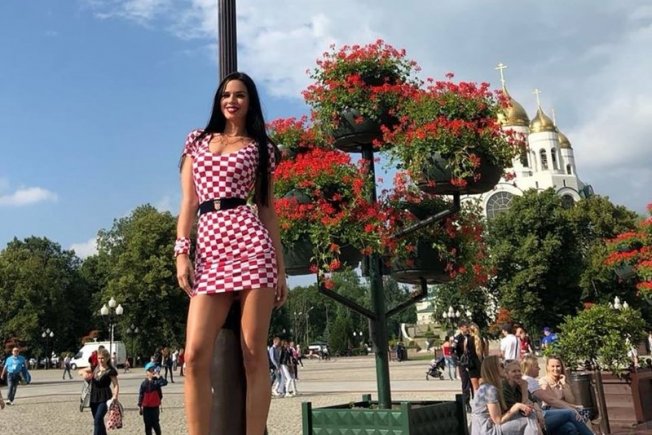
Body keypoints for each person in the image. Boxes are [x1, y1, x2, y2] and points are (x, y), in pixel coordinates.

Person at [175, 71, 287, 435]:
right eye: (226, 94)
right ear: (218, 101)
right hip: (209, 252)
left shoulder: (261, 149)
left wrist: (281, 269)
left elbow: (267, 210)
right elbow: (188, 203)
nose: (232, 100)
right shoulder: (197, 141)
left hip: (253, 248)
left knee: (253, 354)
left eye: (239, 95)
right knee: (194, 356)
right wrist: (182, 252)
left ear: (250, 101)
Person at [521, 355, 594, 435]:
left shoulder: (561, 380)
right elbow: (551, 400)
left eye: (558, 366)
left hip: (544, 414)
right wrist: (572, 408)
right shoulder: (537, 381)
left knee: (570, 427)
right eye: (537, 366)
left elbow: (572, 400)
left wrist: (564, 385)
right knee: (572, 413)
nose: (539, 368)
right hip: (543, 414)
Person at [470, 355, 540, 435]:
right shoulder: (490, 389)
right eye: (501, 365)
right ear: (494, 369)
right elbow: (498, 420)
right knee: (529, 421)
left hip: (485, 427)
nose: (504, 368)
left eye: (519, 371)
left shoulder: (490, 387)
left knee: (531, 417)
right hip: (486, 430)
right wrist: (517, 406)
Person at [80, 347, 119, 435]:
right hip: (93, 397)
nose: (100, 360)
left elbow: (116, 385)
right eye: (99, 358)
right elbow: (80, 371)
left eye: (102, 358)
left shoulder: (110, 371)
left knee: (97, 419)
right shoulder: (95, 367)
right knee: (98, 421)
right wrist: (84, 374)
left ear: (107, 358)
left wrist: (115, 396)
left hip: (105, 397)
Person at [138, 361, 169, 435]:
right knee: (147, 425)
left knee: (155, 424)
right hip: (146, 408)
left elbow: (164, 383)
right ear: (147, 372)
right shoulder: (144, 384)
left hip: (155, 407)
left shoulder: (156, 382)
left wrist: (159, 377)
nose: (153, 372)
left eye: (154, 370)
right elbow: (141, 395)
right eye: (151, 370)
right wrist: (140, 406)